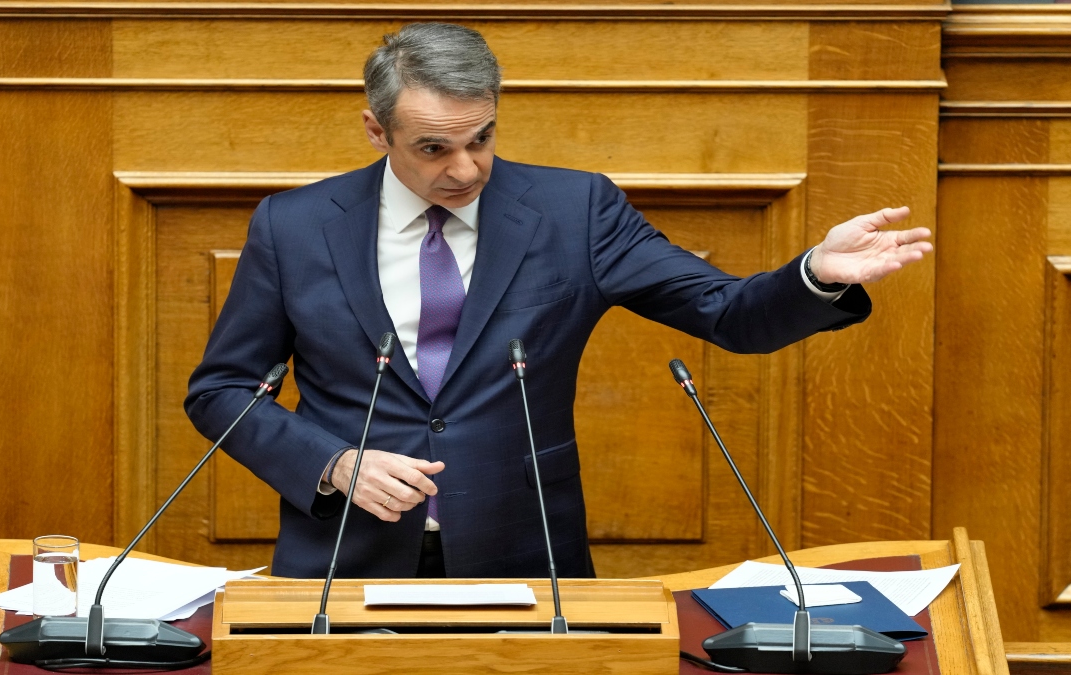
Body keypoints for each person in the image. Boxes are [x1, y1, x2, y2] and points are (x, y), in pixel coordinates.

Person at [184, 23, 932, 579]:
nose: (466, 167)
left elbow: (727, 314)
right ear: (377, 130)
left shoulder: (577, 211)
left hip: (524, 558)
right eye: (434, 148)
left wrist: (816, 274)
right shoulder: (295, 225)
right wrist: (335, 461)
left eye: (481, 138)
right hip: (342, 562)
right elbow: (221, 390)